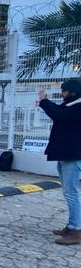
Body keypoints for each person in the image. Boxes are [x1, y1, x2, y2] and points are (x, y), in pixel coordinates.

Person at [38, 78, 81, 245]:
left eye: (64, 91)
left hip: (72, 156)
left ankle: (76, 230)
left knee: (71, 193)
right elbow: (57, 110)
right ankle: (71, 226)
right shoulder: (72, 105)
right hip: (65, 154)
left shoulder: (78, 108)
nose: (62, 94)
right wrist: (45, 101)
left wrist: (44, 101)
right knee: (68, 192)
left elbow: (59, 115)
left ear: (73, 92)